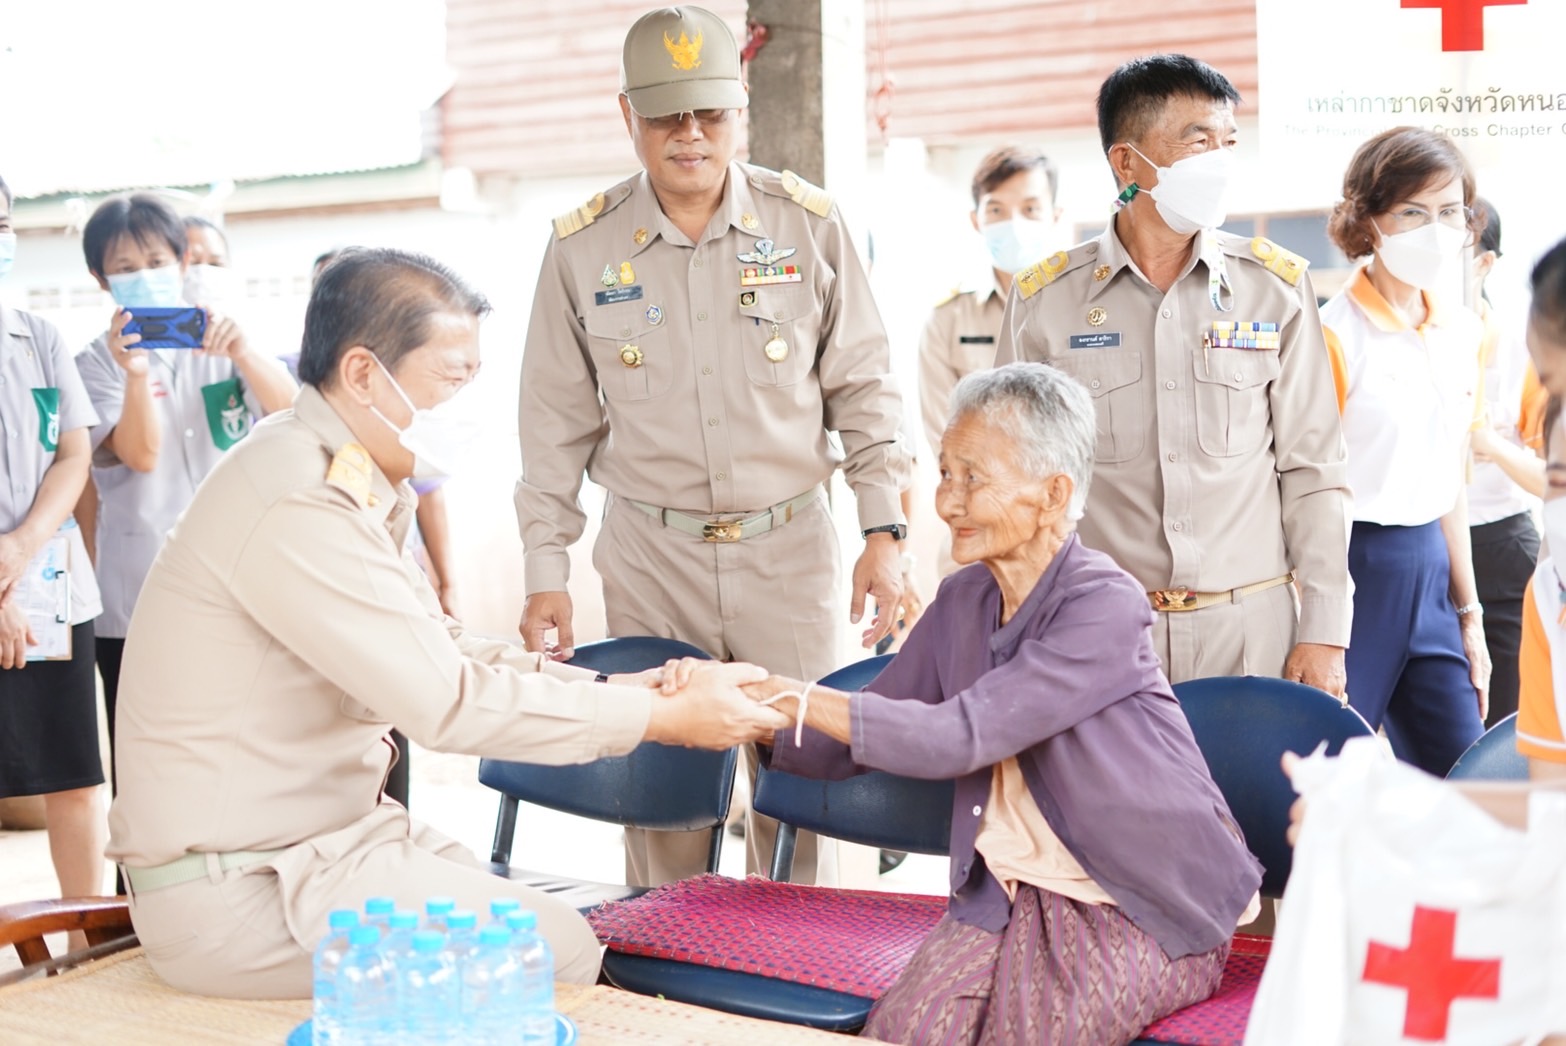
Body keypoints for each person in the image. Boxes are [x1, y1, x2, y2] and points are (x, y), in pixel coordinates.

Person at [104, 247, 790, 999]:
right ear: (364, 374)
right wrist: (663, 719)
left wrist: (619, 687)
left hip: (323, 848)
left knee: (547, 924)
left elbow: (438, 644)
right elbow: (447, 702)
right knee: (558, 949)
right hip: (240, 888)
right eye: (451, 379)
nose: (463, 405)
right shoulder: (299, 498)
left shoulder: (339, 473)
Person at [738, 363, 1261, 1045]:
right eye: (944, 474)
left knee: (1029, 1033)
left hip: (1139, 898)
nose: (948, 503)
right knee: (906, 1030)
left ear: (1052, 494)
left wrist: (789, 696)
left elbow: (960, 735)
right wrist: (740, 710)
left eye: (972, 478)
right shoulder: (963, 601)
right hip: (1006, 892)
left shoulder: (1104, 603)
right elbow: (862, 728)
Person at [516, 5, 912, 888]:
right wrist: (547, 568)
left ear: (742, 110)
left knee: (811, 792)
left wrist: (884, 531)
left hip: (789, 550)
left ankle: (801, 966)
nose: (689, 134)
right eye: (666, 115)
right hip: (652, 556)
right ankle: (666, 966)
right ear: (628, 115)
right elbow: (552, 423)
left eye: (710, 112)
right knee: (663, 798)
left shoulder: (808, 225)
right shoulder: (581, 249)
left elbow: (865, 388)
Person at [993, 54, 1351, 694]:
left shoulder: (1274, 288)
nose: (1220, 160)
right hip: (1099, 631)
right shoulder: (1045, 301)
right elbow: (1013, 477)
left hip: (1252, 632)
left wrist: (1324, 628)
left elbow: (1314, 470)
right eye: (1197, 141)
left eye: (1228, 142)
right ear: (1127, 162)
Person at [74, 193, 297, 771]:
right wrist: (134, 374)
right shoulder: (95, 363)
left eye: (156, 261)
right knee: (146, 755)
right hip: (138, 589)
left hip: (238, 577)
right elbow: (141, 454)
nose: (144, 276)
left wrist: (243, 353)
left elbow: (293, 414)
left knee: (242, 746)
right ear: (101, 279)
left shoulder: (225, 341)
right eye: (125, 268)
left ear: (182, 261)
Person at [1319, 126, 1488, 777]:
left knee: (1466, 770)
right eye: (1412, 212)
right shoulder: (1332, 335)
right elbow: (1305, 487)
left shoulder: (1463, 331)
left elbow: (1451, 480)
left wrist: (1468, 613)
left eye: (1450, 212)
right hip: (1353, 568)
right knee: (1327, 774)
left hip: (1433, 567)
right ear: (1368, 220)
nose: (1435, 230)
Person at [0, 174, 109, 927]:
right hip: (12, 584)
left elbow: (73, 457)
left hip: (50, 588)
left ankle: (83, 941)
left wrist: (20, 547)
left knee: (74, 774)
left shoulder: (38, 338)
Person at [919, 146, 1061, 577]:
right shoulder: (949, 319)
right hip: (977, 541)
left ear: (1055, 215)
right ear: (976, 219)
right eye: (997, 210)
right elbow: (944, 436)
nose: (1014, 223)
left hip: (1065, 536)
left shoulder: (1088, 308)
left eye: (1031, 208)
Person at [1465, 198, 1548, 727]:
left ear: (1485, 262)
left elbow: (1552, 478)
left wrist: (1491, 446)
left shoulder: (1522, 350)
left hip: (1501, 549)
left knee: (1504, 726)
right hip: (1420, 551)